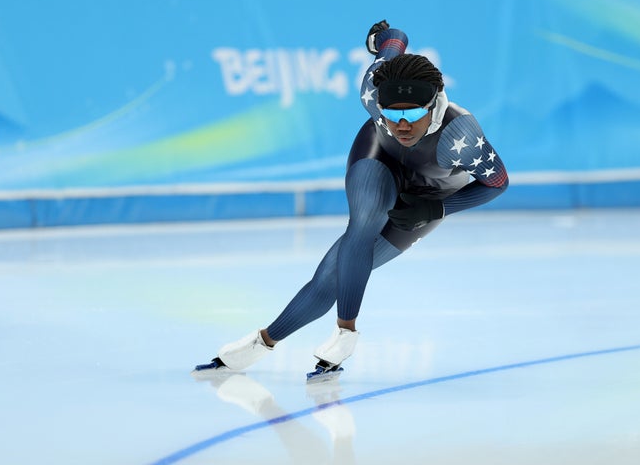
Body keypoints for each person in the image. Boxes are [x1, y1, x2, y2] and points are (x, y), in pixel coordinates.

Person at [193, 20, 509, 381]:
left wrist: (438, 208)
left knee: (334, 277)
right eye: (392, 114)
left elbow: (497, 182)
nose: (401, 125)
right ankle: (339, 333)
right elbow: (394, 42)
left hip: (431, 195)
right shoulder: (372, 93)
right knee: (362, 225)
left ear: (435, 106)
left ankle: (263, 342)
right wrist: (382, 38)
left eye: (411, 115)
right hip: (379, 158)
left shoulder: (463, 135)